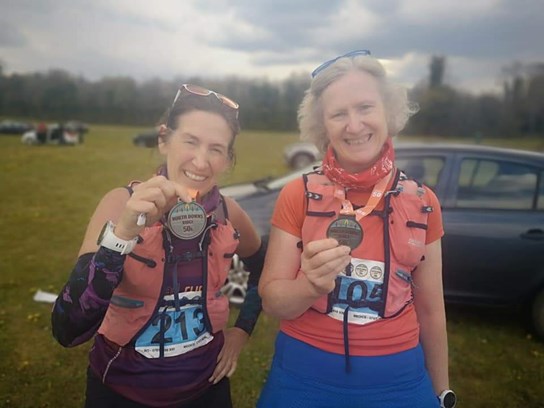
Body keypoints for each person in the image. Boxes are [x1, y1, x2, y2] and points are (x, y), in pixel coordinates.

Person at [257, 51, 456, 408]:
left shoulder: (424, 202)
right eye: (338, 114)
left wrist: (442, 391)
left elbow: (431, 309)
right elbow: (272, 301)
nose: (354, 125)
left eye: (365, 107)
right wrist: (309, 285)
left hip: (399, 379)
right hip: (303, 374)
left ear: (388, 112)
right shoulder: (297, 194)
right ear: (323, 125)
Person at [51, 84, 264, 408]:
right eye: (190, 141)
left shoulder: (228, 212)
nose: (202, 161)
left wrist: (242, 331)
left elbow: (263, 267)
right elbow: (68, 329)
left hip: (207, 391)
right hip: (120, 392)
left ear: (227, 158)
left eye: (216, 149)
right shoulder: (120, 203)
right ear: (164, 139)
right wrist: (122, 233)